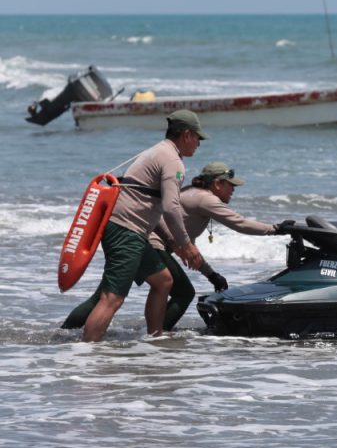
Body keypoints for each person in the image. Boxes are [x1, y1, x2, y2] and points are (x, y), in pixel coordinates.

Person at [63, 162, 293, 331]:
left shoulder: (194, 196)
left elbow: (187, 246)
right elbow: (239, 223)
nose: (233, 190)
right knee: (183, 292)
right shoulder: (206, 199)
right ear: (217, 183)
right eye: (230, 185)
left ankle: (64, 334)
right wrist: (275, 228)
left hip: (141, 240)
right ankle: (157, 335)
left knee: (102, 297)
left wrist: (211, 274)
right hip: (150, 244)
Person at [74, 110, 207, 342]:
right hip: (126, 231)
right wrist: (187, 245)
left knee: (163, 280)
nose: (198, 144)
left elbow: (151, 211)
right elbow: (171, 207)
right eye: (198, 138)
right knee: (111, 298)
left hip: (125, 227)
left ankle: (155, 339)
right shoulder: (173, 161)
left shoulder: (158, 151)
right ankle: (87, 352)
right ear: (186, 135)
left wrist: (174, 243)